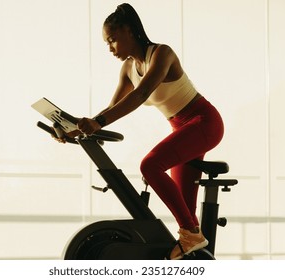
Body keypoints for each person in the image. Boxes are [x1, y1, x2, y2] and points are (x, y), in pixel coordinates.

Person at [69, 3, 224, 260]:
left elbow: (141, 94)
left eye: (112, 40)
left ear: (129, 31)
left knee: (150, 165)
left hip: (203, 122)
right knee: (186, 211)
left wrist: (98, 121)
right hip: (182, 127)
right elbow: (111, 108)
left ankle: (191, 236)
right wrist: (75, 127)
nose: (110, 48)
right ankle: (193, 246)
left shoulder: (162, 54)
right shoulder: (128, 69)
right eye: (107, 43)